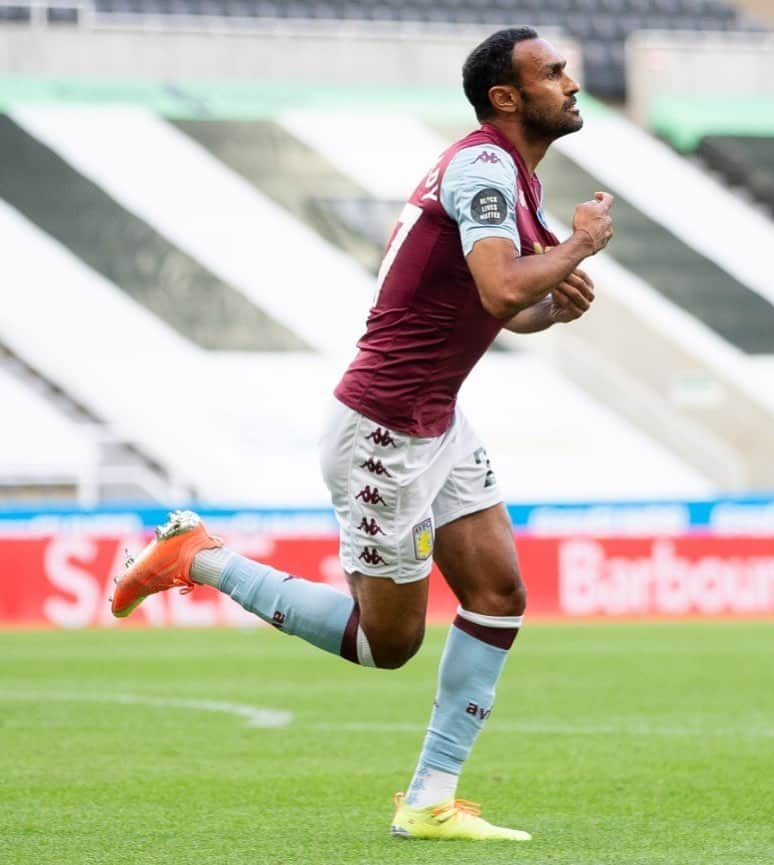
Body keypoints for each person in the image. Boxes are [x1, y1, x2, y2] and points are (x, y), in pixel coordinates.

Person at [111, 26, 614, 842]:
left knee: (496, 594)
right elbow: (496, 286)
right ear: (506, 97)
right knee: (387, 643)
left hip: (436, 416)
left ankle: (429, 800)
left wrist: (551, 302)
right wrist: (578, 248)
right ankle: (195, 556)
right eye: (552, 73)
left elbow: (506, 306)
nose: (571, 82)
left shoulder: (512, 177)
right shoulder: (483, 165)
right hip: (383, 429)